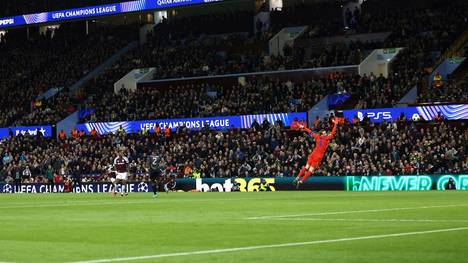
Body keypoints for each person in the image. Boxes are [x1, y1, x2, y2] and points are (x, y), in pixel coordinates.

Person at [293, 118, 340, 188]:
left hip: (313, 154)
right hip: (318, 157)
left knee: (306, 167)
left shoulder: (317, 136)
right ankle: (301, 181)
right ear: (322, 133)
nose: (325, 133)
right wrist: (335, 124)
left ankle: (297, 178)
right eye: (324, 132)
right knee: (310, 170)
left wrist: (304, 127)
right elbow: (333, 132)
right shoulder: (326, 138)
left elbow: (310, 131)